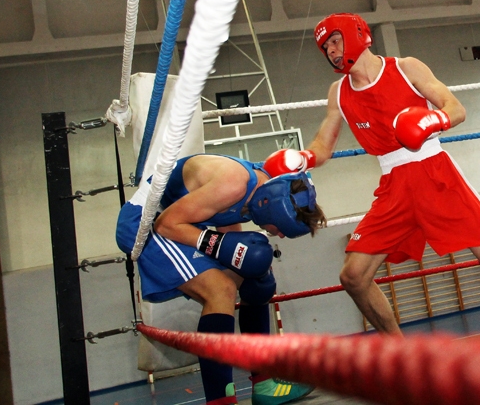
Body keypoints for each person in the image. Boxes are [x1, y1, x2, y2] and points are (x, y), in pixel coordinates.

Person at [264, 13, 480, 339]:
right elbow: (323, 145)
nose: (332, 52)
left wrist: (431, 122)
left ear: (356, 35)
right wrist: (302, 157)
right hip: (393, 185)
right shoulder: (338, 92)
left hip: (434, 172)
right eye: (325, 48)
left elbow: (456, 108)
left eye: (335, 41)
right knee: (353, 276)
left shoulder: (405, 68)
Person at [115, 154, 326, 405]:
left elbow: (227, 227)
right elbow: (166, 225)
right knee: (220, 289)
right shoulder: (233, 184)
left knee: (257, 276)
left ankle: (264, 385)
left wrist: (241, 259)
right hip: (146, 224)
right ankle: (220, 402)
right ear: (274, 209)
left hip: (178, 223)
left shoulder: (258, 196)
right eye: (280, 228)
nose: (278, 234)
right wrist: (220, 248)